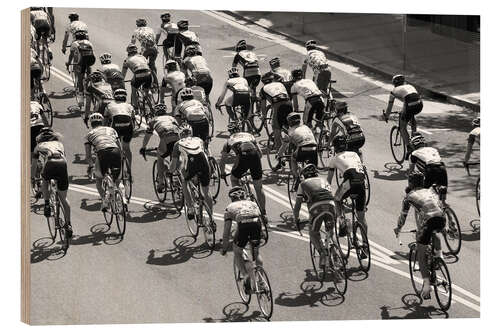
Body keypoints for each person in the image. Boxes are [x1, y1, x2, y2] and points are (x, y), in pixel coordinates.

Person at [394, 171, 446, 300]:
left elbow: (403, 216)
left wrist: (398, 228)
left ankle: (427, 286)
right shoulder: (430, 190)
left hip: (428, 222)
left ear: (410, 183)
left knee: (421, 257)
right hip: (442, 218)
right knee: (434, 234)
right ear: (423, 182)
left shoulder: (409, 196)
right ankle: (439, 258)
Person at [220, 122, 268, 222]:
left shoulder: (229, 141)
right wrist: (253, 166)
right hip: (254, 156)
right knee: (259, 187)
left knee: (233, 178)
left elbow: (223, 159)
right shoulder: (249, 135)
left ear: (230, 132)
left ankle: (240, 203)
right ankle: (263, 213)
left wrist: (222, 172)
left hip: (243, 156)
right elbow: (260, 154)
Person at [220, 186, 264, 295]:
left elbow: (226, 232)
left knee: (237, 252)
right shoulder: (252, 203)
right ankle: (261, 279)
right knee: (256, 251)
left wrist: (224, 249)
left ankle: (246, 276)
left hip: (243, 225)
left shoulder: (230, 207)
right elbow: (261, 220)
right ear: (245, 195)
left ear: (232, 199)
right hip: (256, 224)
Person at [293, 164, 336, 268]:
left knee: (313, 233)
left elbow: (298, 205)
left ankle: (322, 254)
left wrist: (296, 219)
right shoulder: (324, 180)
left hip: (317, 209)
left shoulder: (302, 184)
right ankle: (335, 254)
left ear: (304, 175)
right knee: (330, 231)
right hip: (331, 206)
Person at [168, 124, 214, 221]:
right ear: (191, 132)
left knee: (184, 181)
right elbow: (206, 153)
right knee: (206, 191)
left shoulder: (178, 144)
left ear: (180, 135)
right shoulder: (198, 139)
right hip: (204, 164)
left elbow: (174, 164)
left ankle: (190, 208)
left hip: (192, 164)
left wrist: (170, 171)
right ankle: (211, 218)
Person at [33, 127, 73, 238]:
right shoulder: (60, 144)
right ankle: (68, 225)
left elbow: (34, 165)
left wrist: (32, 178)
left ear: (40, 138)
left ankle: (46, 204)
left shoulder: (38, 146)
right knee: (64, 199)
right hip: (62, 164)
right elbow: (65, 158)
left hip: (49, 163)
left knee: (45, 179)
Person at [327, 135, 367, 236]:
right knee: (361, 217)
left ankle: (342, 223)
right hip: (362, 182)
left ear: (335, 148)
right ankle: (365, 245)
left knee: (336, 199)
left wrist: (327, 194)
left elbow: (329, 181)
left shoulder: (334, 158)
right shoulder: (354, 154)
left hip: (350, 181)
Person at [84, 113, 123, 212]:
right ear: (101, 122)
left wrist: (91, 166)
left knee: (99, 180)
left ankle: (105, 200)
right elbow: (120, 147)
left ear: (91, 124)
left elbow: (88, 156)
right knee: (118, 180)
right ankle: (123, 198)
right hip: (115, 151)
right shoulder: (111, 130)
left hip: (102, 153)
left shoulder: (88, 135)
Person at [140, 104, 180, 193]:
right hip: (177, 138)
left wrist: (143, 147)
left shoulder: (153, 120)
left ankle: (161, 182)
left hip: (166, 138)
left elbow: (147, 136)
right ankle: (178, 176)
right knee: (176, 157)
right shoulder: (171, 118)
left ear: (156, 112)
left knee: (160, 157)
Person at [382, 74, 423, 159]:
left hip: (409, 104)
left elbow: (390, 107)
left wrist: (386, 116)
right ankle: (414, 136)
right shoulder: (410, 86)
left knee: (402, 127)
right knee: (411, 114)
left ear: (394, 83)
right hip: (419, 104)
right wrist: (404, 110)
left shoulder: (394, 91)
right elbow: (408, 99)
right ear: (404, 81)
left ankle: (409, 147)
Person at [259, 71, 293, 158]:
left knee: (276, 130)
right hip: (288, 103)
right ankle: (292, 144)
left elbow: (263, 106)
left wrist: (263, 116)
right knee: (288, 127)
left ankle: (280, 157)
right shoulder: (279, 84)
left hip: (278, 106)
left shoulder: (263, 89)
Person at [103, 89, 135, 175]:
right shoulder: (129, 106)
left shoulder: (109, 105)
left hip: (116, 125)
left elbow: (105, 121)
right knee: (127, 147)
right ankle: (129, 170)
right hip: (128, 126)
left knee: (114, 148)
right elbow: (133, 120)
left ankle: (115, 169)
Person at [66, 30, 95, 106]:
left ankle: (81, 99)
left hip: (81, 62)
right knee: (89, 72)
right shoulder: (89, 43)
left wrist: (68, 63)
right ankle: (91, 83)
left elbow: (71, 55)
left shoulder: (74, 44)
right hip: (91, 60)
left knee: (80, 78)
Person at [122, 44, 152, 110]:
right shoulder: (142, 57)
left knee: (133, 91)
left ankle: (135, 108)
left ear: (128, 52)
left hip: (138, 75)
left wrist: (122, 82)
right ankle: (151, 105)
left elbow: (123, 75)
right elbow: (146, 65)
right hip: (148, 73)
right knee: (147, 90)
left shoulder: (126, 60)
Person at [30, 101, 50, 183]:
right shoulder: (36, 103)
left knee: (33, 154)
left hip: (30, 128)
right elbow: (44, 118)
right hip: (40, 127)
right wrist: (48, 129)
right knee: (46, 149)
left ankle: (37, 177)